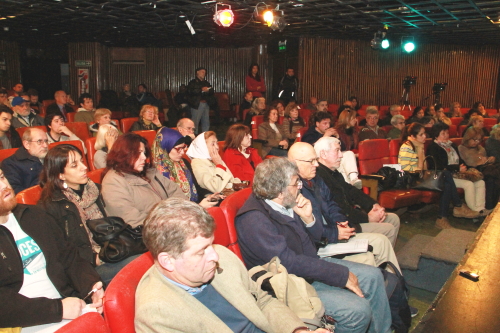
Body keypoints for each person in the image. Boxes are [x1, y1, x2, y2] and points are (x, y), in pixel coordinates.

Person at [236, 157, 393, 333]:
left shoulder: (283, 202)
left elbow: (313, 247)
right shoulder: (254, 220)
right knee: (357, 311)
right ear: (280, 191)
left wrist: (309, 219)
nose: (300, 187)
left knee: (373, 276)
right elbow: (288, 263)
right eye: (296, 183)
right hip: (290, 285)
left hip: (307, 269)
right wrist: (338, 274)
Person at [135, 198, 326, 333]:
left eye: (211, 244)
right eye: (201, 251)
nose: (215, 255)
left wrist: (297, 330)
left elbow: (261, 300)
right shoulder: (156, 313)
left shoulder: (222, 257)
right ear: (168, 261)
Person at [0, 168, 104, 331]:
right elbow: (4, 305)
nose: (3, 185)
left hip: (70, 305)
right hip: (26, 322)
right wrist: (59, 309)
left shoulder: (33, 215)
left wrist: (91, 286)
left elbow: (69, 256)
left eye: (2, 176)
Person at [288, 142, 401, 270]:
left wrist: (341, 222)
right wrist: (336, 232)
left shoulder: (315, 179)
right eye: (311, 161)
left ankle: (390, 279)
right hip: (321, 243)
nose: (316, 164)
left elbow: (332, 204)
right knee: (380, 243)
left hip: (334, 232)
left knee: (382, 241)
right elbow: (307, 230)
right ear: (295, 163)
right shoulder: (292, 189)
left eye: (316, 159)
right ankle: (389, 279)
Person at [37, 144, 139, 285]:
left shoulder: (94, 190)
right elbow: (59, 250)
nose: (84, 167)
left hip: (111, 250)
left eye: (82, 161)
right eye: (74, 165)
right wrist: (94, 258)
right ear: (60, 174)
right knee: (143, 264)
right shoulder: (51, 205)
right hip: (86, 268)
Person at [314, 137, 401, 246]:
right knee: (388, 229)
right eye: (337, 150)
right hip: (345, 225)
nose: (341, 155)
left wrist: (373, 205)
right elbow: (340, 208)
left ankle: (383, 258)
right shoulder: (320, 176)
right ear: (323, 154)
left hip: (352, 218)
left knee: (393, 219)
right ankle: (380, 260)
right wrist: (367, 218)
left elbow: (352, 191)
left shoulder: (334, 173)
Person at [398, 123, 479, 228]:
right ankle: (457, 206)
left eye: (424, 134)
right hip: (413, 179)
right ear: (413, 136)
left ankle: (442, 218)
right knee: (445, 176)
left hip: (422, 176)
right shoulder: (407, 147)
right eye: (421, 135)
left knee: (446, 182)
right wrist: (421, 171)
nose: (424, 137)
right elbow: (404, 168)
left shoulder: (419, 145)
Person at [101, 133, 187, 228]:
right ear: (124, 154)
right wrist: (170, 222)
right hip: (148, 234)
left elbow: (175, 191)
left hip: (171, 224)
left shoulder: (149, 172)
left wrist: (177, 215)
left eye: (144, 153)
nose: (144, 157)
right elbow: (131, 220)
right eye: (138, 153)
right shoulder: (113, 182)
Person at [427, 123, 489, 215]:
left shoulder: (452, 145)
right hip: (446, 176)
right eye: (443, 133)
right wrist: (457, 168)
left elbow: (460, 160)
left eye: (447, 133)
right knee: (468, 184)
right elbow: (437, 166)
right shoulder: (433, 147)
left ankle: (480, 209)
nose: (446, 135)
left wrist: (463, 167)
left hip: (458, 174)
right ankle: (473, 210)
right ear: (436, 135)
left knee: (480, 182)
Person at [152, 127, 220, 205]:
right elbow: (166, 205)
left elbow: (197, 188)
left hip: (193, 206)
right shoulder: (155, 171)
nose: (182, 153)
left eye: (183, 147)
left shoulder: (183, 163)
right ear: (165, 147)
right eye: (178, 149)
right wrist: (199, 207)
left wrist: (209, 196)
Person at [2, 128, 48, 194]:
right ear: (27, 144)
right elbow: (16, 191)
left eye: (46, 141)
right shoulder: (10, 163)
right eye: (39, 141)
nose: (45, 145)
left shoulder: (51, 157)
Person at [187, 67, 217, 134]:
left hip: (206, 103)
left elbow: (212, 91)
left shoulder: (206, 82)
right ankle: (194, 136)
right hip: (197, 104)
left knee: (206, 121)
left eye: (205, 72)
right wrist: (201, 90)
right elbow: (190, 91)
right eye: (202, 72)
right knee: (195, 122)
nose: (204, 74)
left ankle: (205, 135)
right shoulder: (193, 82)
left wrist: (207, 90)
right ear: (197, 72)